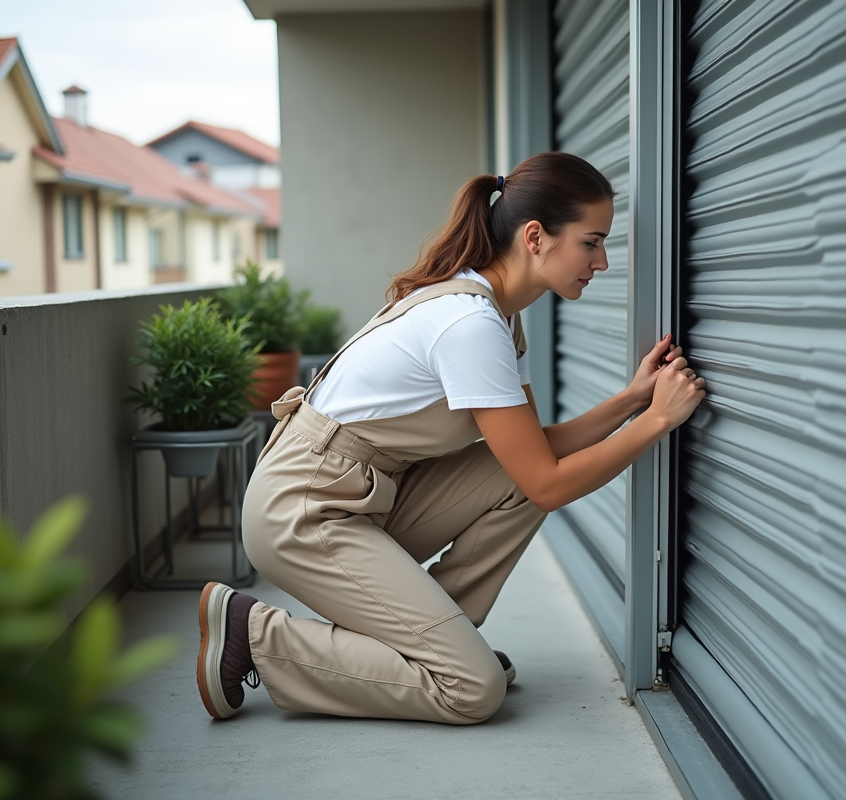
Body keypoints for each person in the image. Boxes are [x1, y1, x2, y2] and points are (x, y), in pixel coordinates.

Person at [196, 151, 706, 725]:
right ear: (536, 237)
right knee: (472, 692)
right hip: (304, 511)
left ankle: (443, 643)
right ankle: (255, 632)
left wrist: (633, 400)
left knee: (510, 474)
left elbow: (533, 453)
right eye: (591, 242)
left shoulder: (498, 317)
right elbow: (548, 485)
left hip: (362, 496)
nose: (603, 261)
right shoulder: (470, 326)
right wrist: (658, 422)